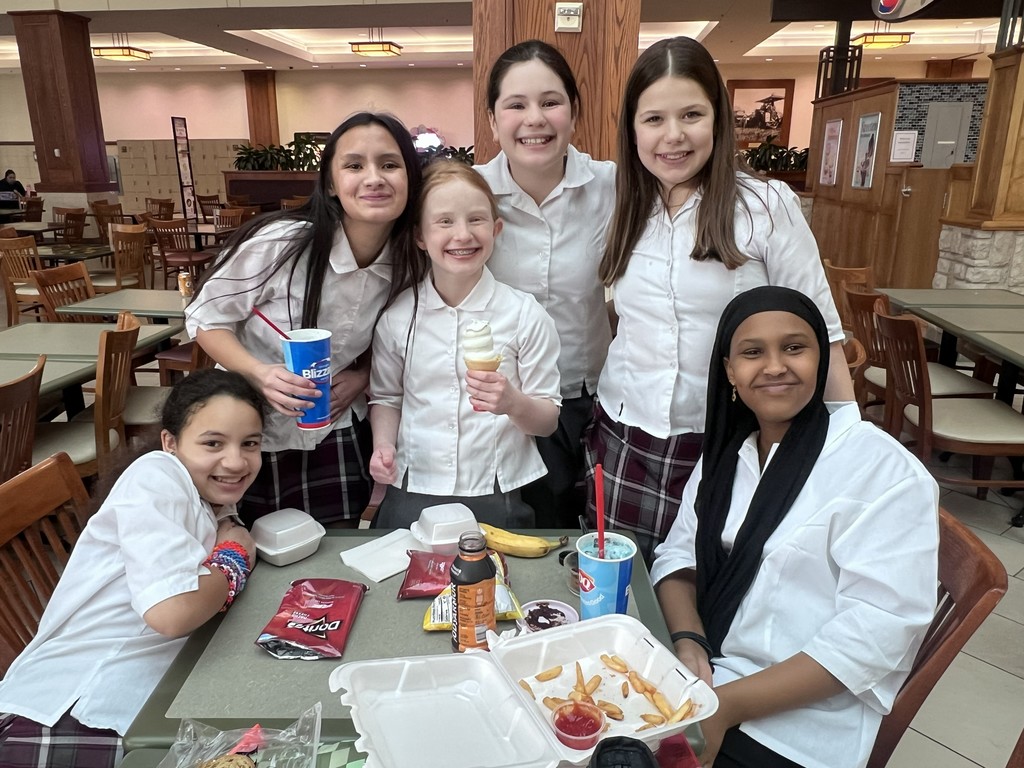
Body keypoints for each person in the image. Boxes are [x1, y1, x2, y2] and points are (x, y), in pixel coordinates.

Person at [586, 36, 854, 563]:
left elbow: (824, 334)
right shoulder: (622, 206)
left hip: (730, 435)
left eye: (691, 114)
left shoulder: (764, 206)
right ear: (632, 128)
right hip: (626, 434)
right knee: (625, 589)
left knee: (716, 590)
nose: (673, 136)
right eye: (653, 119)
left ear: (718, 118)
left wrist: (847, 449)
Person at [652, 286, 939, 768]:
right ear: (729, 371)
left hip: (798, 723)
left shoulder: (880, 471)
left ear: (822, 360)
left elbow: (875, 634)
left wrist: (727, 707)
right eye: (751, 352)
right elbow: (679, 554)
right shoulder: (728, 453)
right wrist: (689, 641)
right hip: (704, 678)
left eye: (794, 347)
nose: (774, 366)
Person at [0, 369, 266, 768]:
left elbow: (224, 526)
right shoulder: (155, 476)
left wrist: (232, 535)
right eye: (213, 443)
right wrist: (234, 557)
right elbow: (173, 612)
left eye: (250, 444)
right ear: (170, 443)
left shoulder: (202, 488)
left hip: (144, 695)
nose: (235, 461)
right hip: (73, 707)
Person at [186, 112, 424, 527]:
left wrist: (363, 375)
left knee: (336, 544)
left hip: (333, 424)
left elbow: (399, 339)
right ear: (331, 184)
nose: (373, 178)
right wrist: (259, 372)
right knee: (248, 547)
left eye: (389, 164)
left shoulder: (411, 260)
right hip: (250, 424)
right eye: (354, 165)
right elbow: (206, 318)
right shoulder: (283, 243)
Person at [368, 161, 561, 528]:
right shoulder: (398, 316)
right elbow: (387, 397)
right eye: (444, 222)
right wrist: (384, 445)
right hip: (414, 483)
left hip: (498, 487)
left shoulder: (524, 315)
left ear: (496, 228)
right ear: (420, 237)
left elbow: (548, 420)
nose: (462, 235)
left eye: (476, 220)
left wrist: (512, 403)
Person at [476, 40, 615, 528]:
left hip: (587, 393)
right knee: (520, 530)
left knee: (590, 525)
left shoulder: (611, 187)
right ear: (493, 120)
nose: (534, 118)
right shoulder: (468, 194)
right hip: (500, 400)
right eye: (516, 105)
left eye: (550, 102)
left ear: (573, 114)